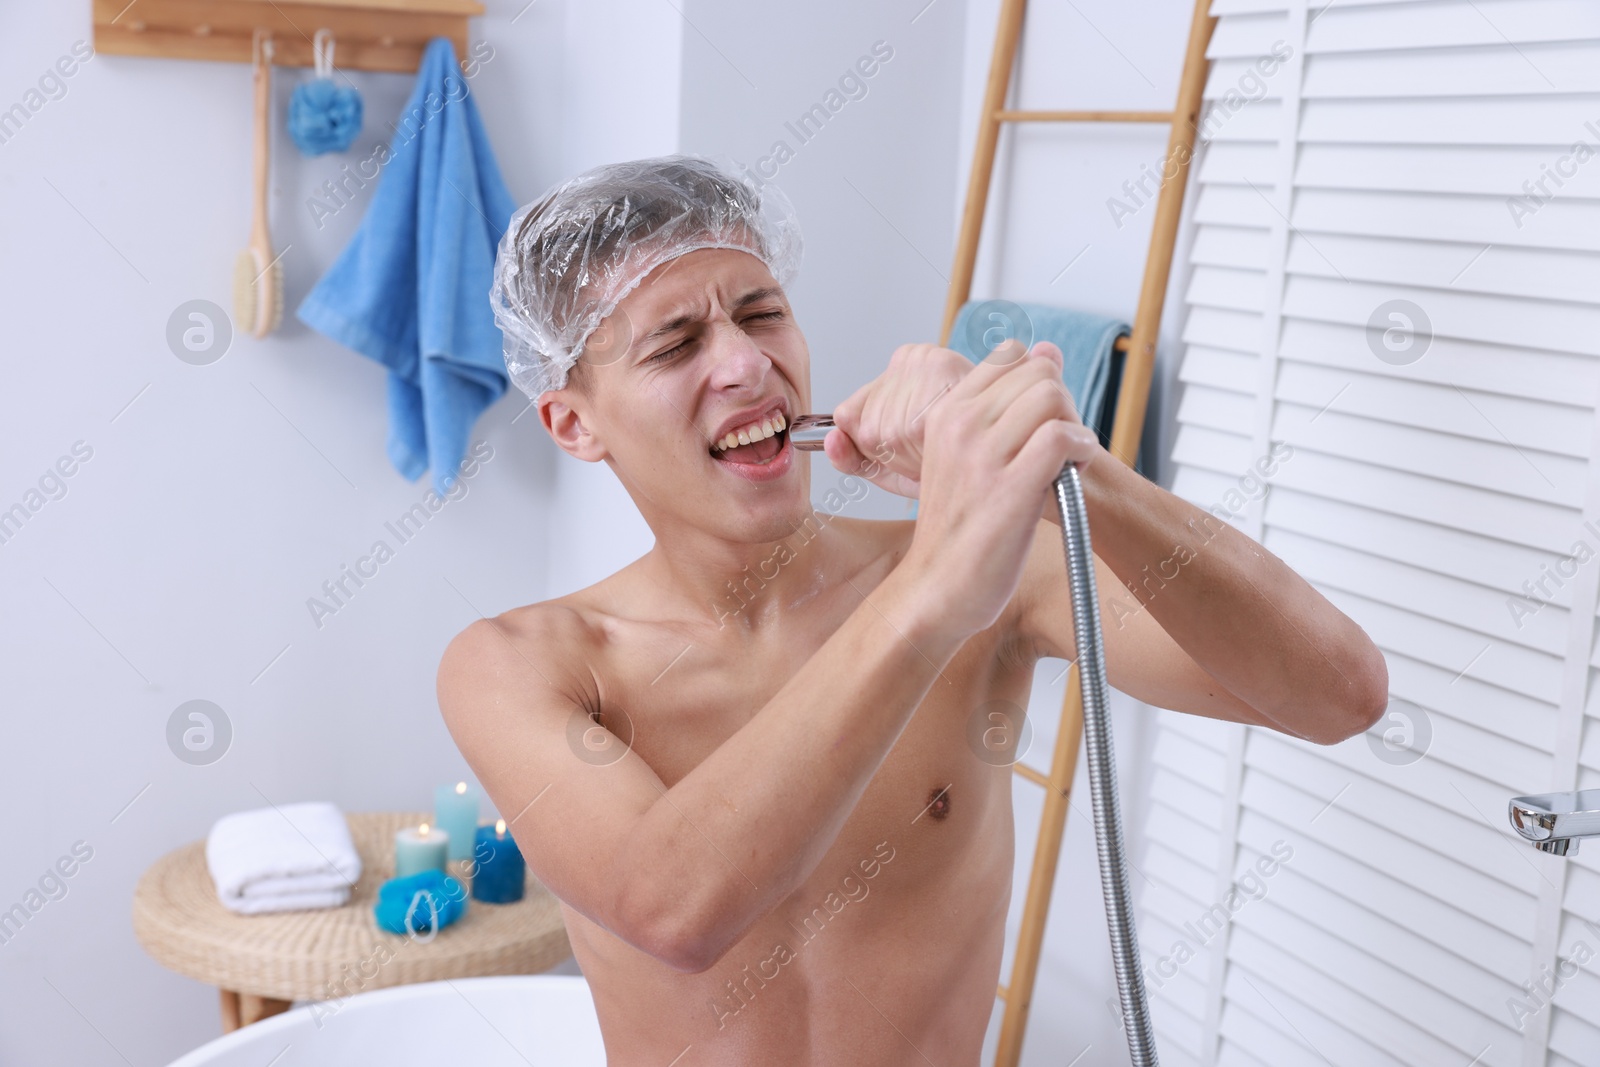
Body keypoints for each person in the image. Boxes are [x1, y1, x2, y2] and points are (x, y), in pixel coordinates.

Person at [437, 155, 1387, 1066]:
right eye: (677, 344)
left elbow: (1339, 693)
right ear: (575, 422)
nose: (746, 366)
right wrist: (933, 589)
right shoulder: (521, 664)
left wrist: (1070, 464)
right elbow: (676, 910)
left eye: (763, 314)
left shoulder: (997, 577)